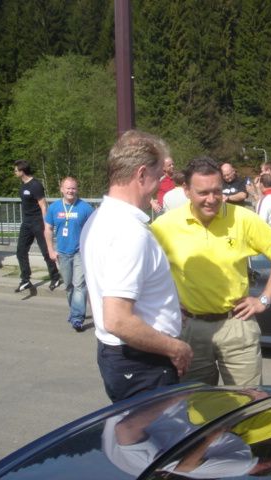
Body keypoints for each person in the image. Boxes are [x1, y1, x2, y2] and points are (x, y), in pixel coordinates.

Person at [152, 157, 271, 386]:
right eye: (203, 193)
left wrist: (264, 299)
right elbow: (146, 272)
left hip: (236, 325)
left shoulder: (243, 218)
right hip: (191, 329)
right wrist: (166, 305)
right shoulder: (164, 226)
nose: (211, 199)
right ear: (186, 191)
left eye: (217, 191)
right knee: (197, 403)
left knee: (246, 403)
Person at [80, 130, 193, 403]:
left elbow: (106, 293)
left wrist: (164, 307)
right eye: (158, 176)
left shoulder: (98, 219)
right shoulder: (129, 232)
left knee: (134, 429)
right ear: (141, 174)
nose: (159, 185)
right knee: (155, 431)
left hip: (122, 357)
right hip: (143, 362)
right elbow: (117, 319)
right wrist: (176, 348)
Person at [43, 177, 94, 332]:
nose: (71, 191)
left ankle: (77, 318)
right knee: (69, 286)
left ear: (77, 190)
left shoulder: (85, 208)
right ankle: (74, 311)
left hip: (80, 252)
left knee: (79, 285)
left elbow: (94, 229)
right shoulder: (54, 208)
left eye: (73, 188)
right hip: (62, 252)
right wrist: (50, 250)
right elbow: (48, 229)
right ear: (62, 189)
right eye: (68, 188)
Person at [13, 159, 62, 293]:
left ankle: (55, 277)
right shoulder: (22, 185)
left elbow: (43, 205)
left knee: (46, 252)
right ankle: (25, 279)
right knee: (20, 251)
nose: (14, 172)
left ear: (22, 171)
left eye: (16, 170)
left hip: (38, 222)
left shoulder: (36, 185)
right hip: (26, 222)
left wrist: (46, 224)